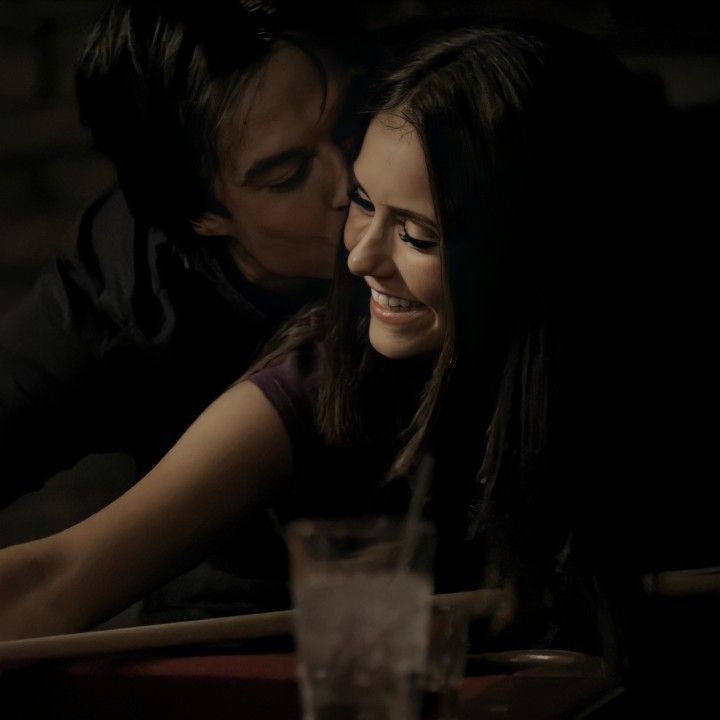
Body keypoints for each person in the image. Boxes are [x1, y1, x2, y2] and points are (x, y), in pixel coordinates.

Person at [0, 21, 665, 673]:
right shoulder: (304, 362)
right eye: (294, 175)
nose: (358, 246)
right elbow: (58, 575)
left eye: (419, 232)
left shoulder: (455, 111)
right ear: (206, 213)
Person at [0, 0, 364, 621]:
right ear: (202, 214)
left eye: (355, 125)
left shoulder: (445, 121)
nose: (352, 182)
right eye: (288, 175)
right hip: (224, 626)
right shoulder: (123, 289)